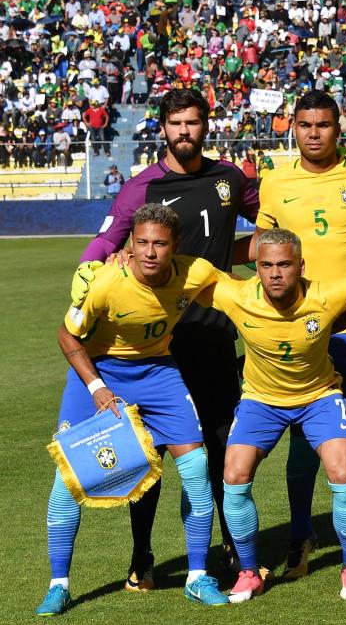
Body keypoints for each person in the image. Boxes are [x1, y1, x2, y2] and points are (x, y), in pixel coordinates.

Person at [71, 88, 259, 588]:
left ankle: (226, 545)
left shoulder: (230, 179)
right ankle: (143, 556)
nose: (184, 132)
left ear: (206, 125)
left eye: (193, 122)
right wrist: (90, 268)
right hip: (157, 348)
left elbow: (275, 224)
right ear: (163, 127)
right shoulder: (141, 189)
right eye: (175, 123)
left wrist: (233, 254)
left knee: (218, 450)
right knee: (148, 456)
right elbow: (107, 240)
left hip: (215, 339)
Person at [37, 205, 229, 616]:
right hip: (98, 371)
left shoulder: (196, 271)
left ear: (176, 245)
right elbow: (66, 335)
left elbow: (243, 293)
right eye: (141, 242)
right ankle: (59, 585)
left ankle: (197, 576)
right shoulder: (108, 281)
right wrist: (96, 387)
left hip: (159, 372)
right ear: (130, 244)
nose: (150, 252)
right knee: (68, 478)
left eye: (160, 243)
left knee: (195, 467)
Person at [200, 229, 346, 602]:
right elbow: (187, 274)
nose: (275, 273)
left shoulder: (327, 294)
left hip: (319, 397)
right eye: (266, 265)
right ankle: (247, 571)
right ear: (255, 268)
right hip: (261, 400)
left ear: (300, 266)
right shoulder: (238, 296)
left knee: (343, 470)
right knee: (233, 475)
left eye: (284, 265)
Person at [252, 91, 346, 580]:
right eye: (305, 124)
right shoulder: (274, 182)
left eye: (324, 124)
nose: (313, 132)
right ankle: (301, 535)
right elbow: (260, 248)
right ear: (292, 127)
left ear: (340, 128)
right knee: (301, 440)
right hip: (299, 330)